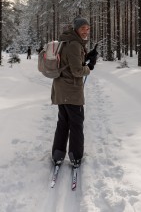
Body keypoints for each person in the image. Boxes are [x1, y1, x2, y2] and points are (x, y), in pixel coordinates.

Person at [51, 17, 98, 168]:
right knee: (76, 124)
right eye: (83, 28)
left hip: (61, 89)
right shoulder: (74, 45)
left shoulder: (67, 41)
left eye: (88, 28)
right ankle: (75, 156)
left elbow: (71, 63)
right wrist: (89, 67)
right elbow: (77, 70)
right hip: (71, 90)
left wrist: (87, 58)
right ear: (76, 29)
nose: (86, 31)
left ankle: (57, 155)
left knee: (63, 122)